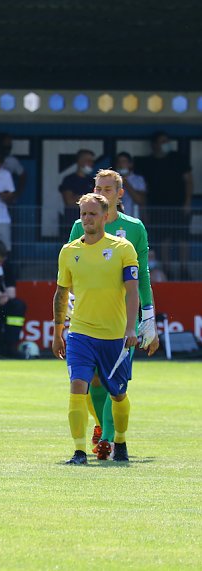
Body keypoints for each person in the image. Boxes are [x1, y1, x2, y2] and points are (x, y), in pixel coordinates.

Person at [67, 169, 159, 459]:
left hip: (122, 320)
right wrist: (70, 304)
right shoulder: (79, 226)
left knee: (114, 383)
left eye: (108, 188)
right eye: (97, 188)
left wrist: (149, 316)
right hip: (87, 319)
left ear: (120, 194)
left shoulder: (134, 228)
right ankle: (101, 427)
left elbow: (141, 275)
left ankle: (108, 439)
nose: (101, 192)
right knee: (92, 380)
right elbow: (70, 268)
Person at [52, 193, 139, 465]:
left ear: (105, 216)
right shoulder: (69, 251)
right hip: (80, 333)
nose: (87, 219)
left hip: (114, 335)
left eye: (92, 214)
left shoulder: (123, 248)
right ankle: (79, 451)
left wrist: (130, 329)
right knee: (78, 386)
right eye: (83, 214)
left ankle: (120, 440)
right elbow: (61, 293)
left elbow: (132, 292)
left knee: (118, 393)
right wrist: (57, 331)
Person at [134, 132, 193, 278]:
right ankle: (167, 269)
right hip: (158, 206)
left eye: (167, 141)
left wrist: (187, 202)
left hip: (179, 205)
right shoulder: (148, 163)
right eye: (162, 141)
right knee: (163, 238)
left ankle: (184, 269)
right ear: (154, 144)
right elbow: (144, 189)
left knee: (183, 238)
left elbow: (189, 180)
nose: (166, 144)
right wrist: (146, 210)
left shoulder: (178, 159)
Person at [59, 149, 96, 227]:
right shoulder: (69, 180)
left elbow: (96, 202)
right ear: (80, 161)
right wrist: (87, 200)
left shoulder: (93, 181)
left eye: (92, 161)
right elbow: (69, 202)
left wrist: (78, 198)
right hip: (71, 222)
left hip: (90, 223)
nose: (91, 163)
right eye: (88, 160)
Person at [115, 152, 146, 217]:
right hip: (117, 218)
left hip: (133, 217)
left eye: (123, 162)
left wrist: (125, 182)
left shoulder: (138, 179)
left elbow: (140, 200)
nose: (121, 164)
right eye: (119, 162)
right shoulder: (112, 179)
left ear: (130, 164)